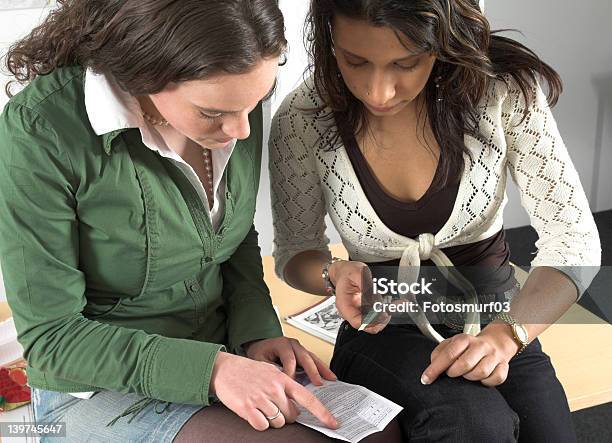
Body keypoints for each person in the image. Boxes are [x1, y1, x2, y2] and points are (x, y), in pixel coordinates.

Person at [0, 1, 374, 441]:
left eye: (255, 103)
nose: (242, 131)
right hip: (97, 387)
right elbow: (54, 339)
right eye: (214, 114)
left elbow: (231, 239)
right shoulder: (41, 129)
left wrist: (257, 334)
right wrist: (214, 370)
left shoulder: (234, 94)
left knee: (377, 434)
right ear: (144, 71)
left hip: (226, 353)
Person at [269, 0, 601, 441]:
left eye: (405, 63)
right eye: (354, 61)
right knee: (475, 426)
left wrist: (507, 335)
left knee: (549, 433)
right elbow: (295, 253)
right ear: (328, 37)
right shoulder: (303, 118)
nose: (378, 91)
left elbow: (574, 240)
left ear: (441, 41)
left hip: (497, 312)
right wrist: (334, 273)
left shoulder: (502, 92)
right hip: (384, 328)